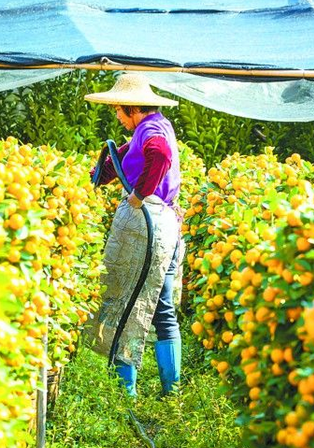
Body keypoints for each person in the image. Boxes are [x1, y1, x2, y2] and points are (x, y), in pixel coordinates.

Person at [85, 73, 182, 396]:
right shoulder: (156, 125)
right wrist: (96, 177)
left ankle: (125, 393)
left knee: (129, 302)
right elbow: (121, 158)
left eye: (118, 109)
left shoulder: (151, 131)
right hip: (168, 226)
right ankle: (172, 392)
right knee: (162, 307)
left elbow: (160, 155)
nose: (116, 115)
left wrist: (140, 194)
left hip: (149, 227)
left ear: (132, 108)